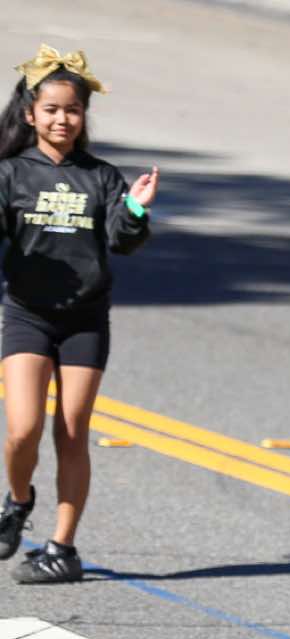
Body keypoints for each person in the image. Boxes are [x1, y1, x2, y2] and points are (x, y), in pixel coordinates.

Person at [0, 48, 157, 585]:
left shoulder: (102, 177)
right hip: (27, 315)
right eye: (51, 109)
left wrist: (134, 208)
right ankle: (17, 500)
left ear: (83, 115)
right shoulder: (10, 174)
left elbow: (122, 240)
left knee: (71, 431)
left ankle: (62, 548)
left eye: (72, 109)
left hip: (84, 322)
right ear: (30, 114)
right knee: (22, 429)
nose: (62, 119)